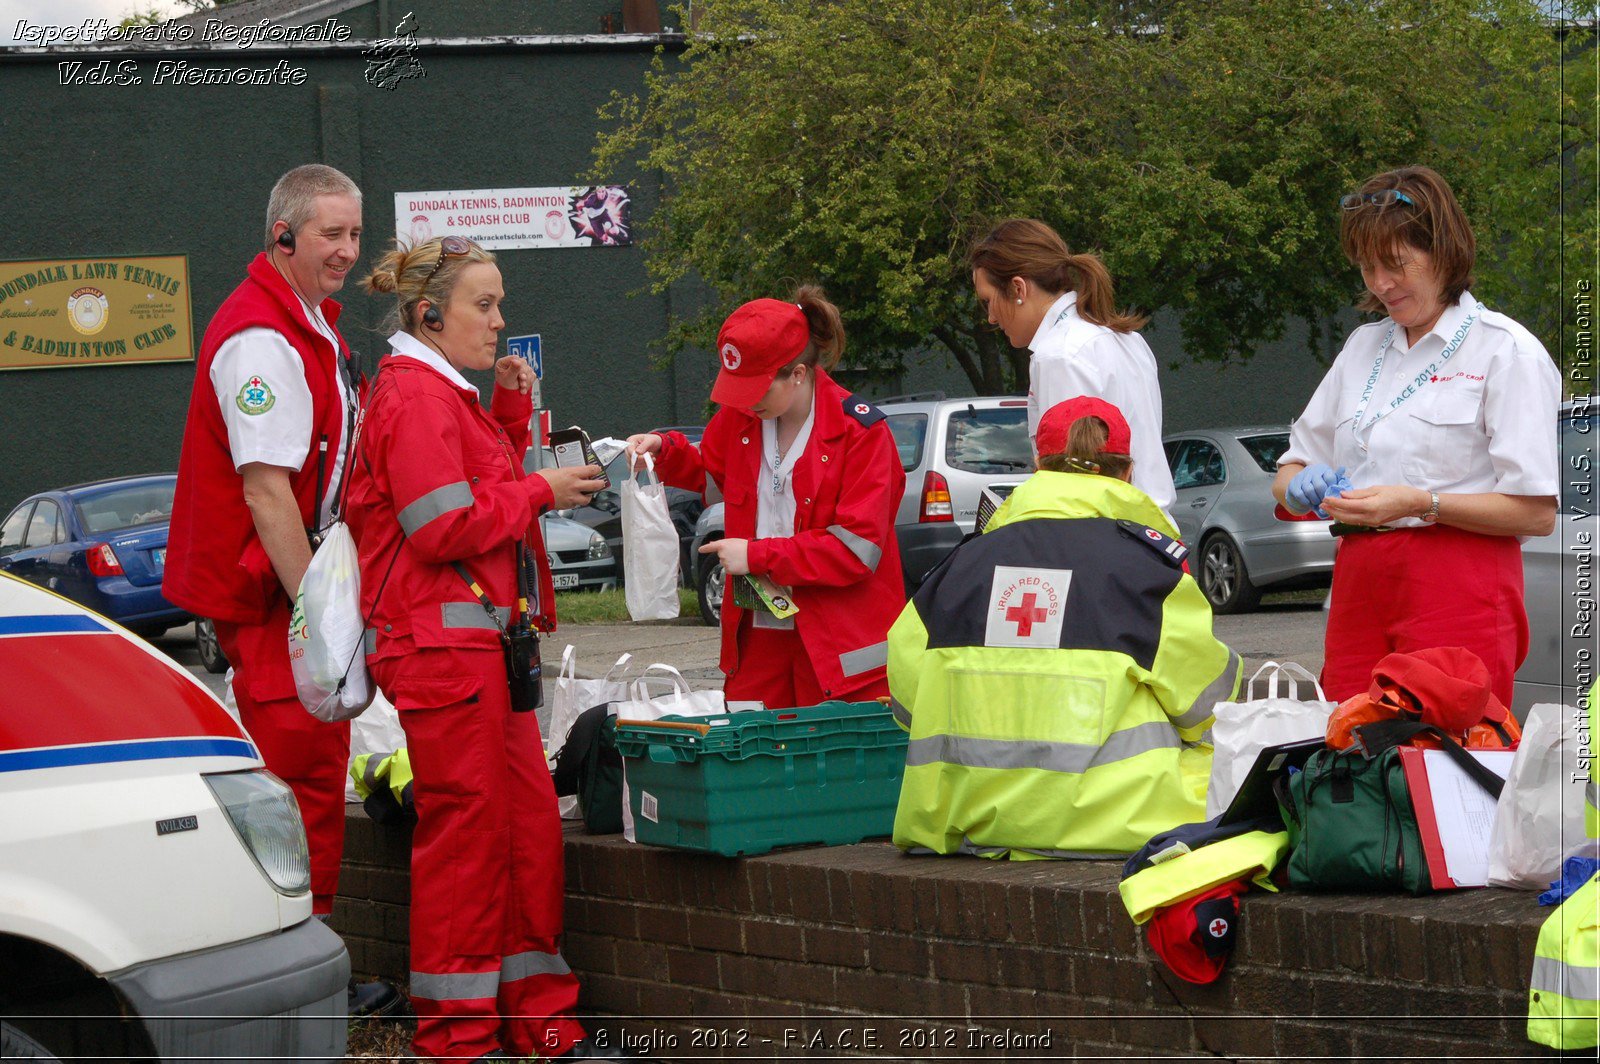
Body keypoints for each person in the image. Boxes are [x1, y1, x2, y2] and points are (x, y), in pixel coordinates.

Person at [346, 236, 615, 1063]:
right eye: (484, 305)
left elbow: (461, 493)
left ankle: (538, 1022)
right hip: (442, 652)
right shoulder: (416, 399)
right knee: (468, 848)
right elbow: (442, 525)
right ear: (430, 315)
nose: (500, 322)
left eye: (499, 304)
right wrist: (541, 487)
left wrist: (503, 418)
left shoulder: (437, 394)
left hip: (478, 651)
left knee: (524, 831)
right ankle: (459, 1039)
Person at [163, 164, 401, 1016]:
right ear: (283, 238)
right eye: (329, 234)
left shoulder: (302, 324)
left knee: (309, 772)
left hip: (281, 594)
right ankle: (303, 985)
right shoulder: (262, 339)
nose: (347, 250)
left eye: (352, 232)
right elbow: (267, 490)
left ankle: (309, 973)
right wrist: (321, 620)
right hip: (270, 600)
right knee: (299, 782)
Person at [889, 396, 1241, 858]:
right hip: (1117, 827)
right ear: (1128, 472)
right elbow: (1210, 709)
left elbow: (906, 698)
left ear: (1038, 465)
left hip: (968, 820)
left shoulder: (961, 565)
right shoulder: (1147, 572)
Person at [1274, 165, 1560, 706]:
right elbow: (1289, 470)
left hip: (1460, 581)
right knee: (1350, 751)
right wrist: (1297, 485)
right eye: (1367, 268)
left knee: (1447, 755)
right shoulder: (1362, 348)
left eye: (1396, 265)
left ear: (1443, 253)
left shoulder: (1505, 351)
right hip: (1360, 580)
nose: (1381, 284)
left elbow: (1536, 513)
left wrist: (1421, 502)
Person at [626, 288, 906, 707]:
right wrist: (664, 450)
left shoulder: (861, 434)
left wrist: (756, 557)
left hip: (840, 656)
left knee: (827, 768)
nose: (743, 401)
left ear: (797, 374)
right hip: (759, 640)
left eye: (755, 388)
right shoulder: (742, 420)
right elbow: (712, 474)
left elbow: (855, 550)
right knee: (758, 764)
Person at [969, 218, 1176, 514]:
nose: (990, 316)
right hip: (1154, 535)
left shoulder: (1058, 355)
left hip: (1107, 538)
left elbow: (1072, 484)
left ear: (1018, 289)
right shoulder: (1126, 338)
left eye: (988, 301)